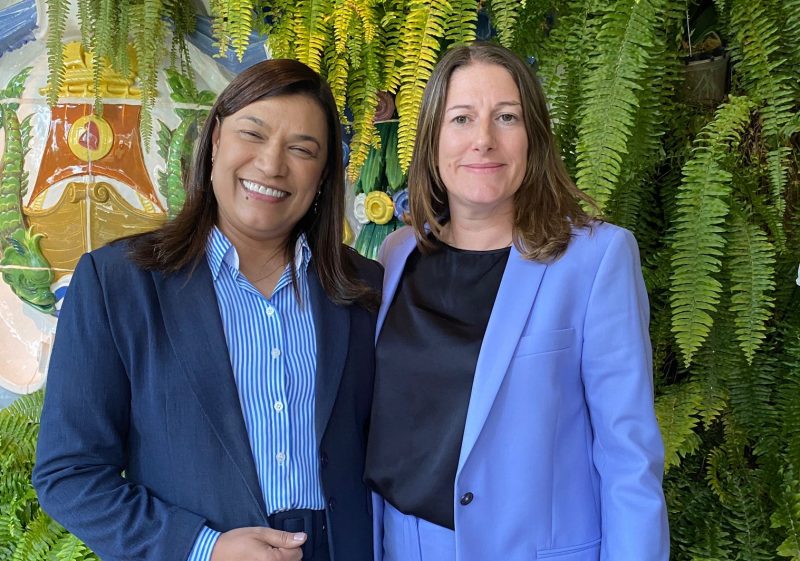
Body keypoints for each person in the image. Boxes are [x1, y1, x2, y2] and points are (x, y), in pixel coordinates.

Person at [33, 59, 381, 561]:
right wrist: (203, 547)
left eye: (302, 149)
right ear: (216, 139)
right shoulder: (119, 284)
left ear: (324, 174)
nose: (271, 165)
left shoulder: (362, 286)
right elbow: (69, 474)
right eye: (252, 134)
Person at [364, 42, 669, 561]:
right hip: (403, 545)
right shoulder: (397, 254)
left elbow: (628, 456)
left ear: (535, 138)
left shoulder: (595, 259)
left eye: (507, 117)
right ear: (433, 139)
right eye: (461, 118)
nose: (483, 139)